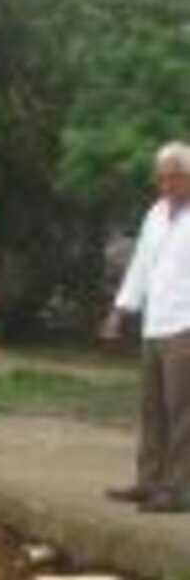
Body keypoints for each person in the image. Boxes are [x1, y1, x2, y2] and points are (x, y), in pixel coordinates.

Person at [102, 141, 190, 513]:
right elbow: (140, 265)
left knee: (182, 411)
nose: (167, 185)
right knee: (151, 408)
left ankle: (177, 489)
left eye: (174, 178)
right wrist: (119, 311)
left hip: (185, 325)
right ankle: (148, 481)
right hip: (155, 324)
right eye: (162, 178)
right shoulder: (155, 213)